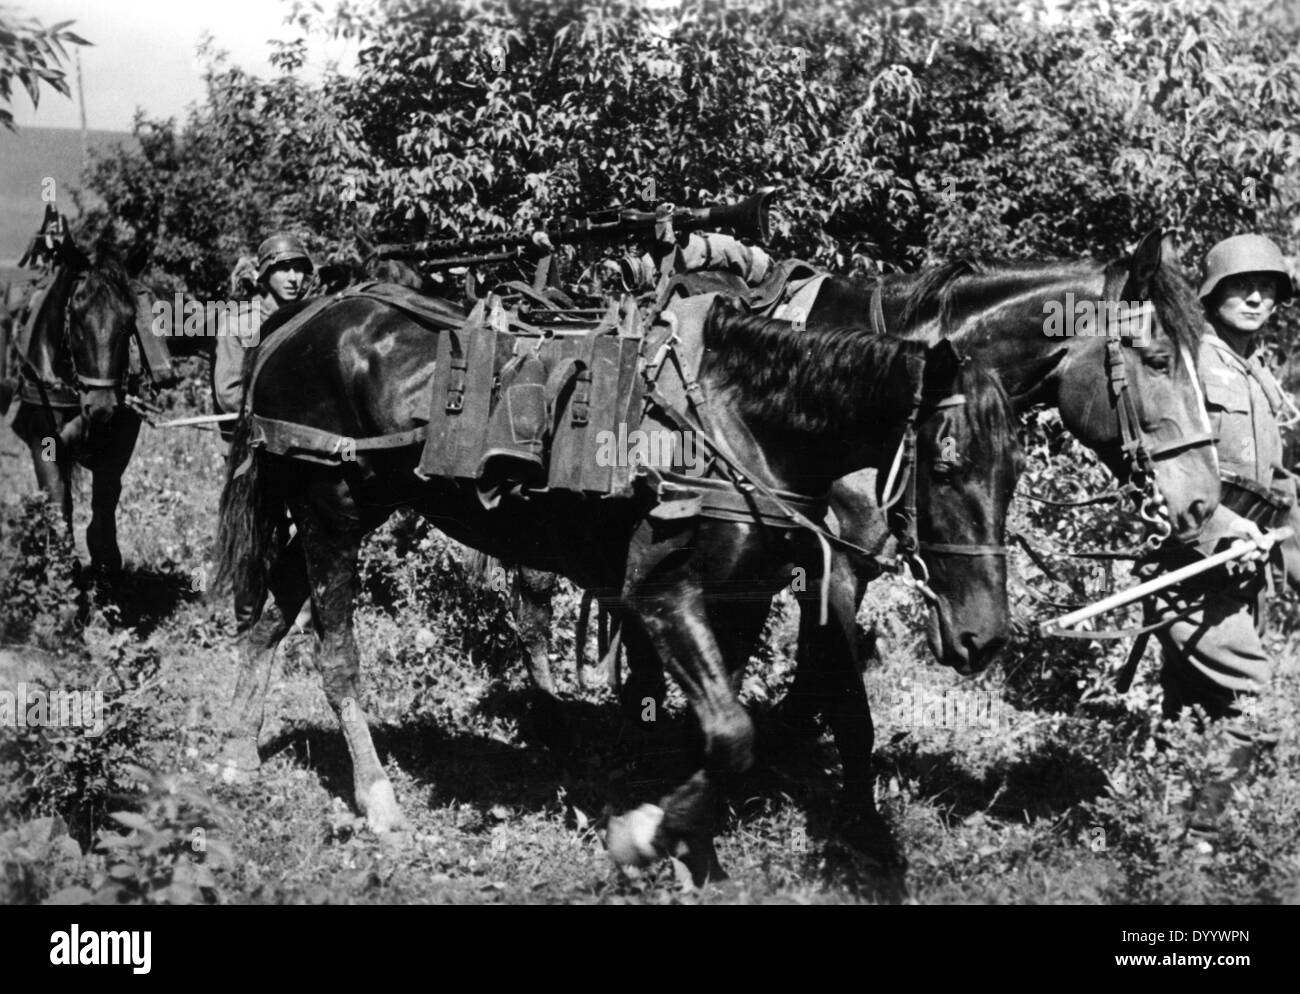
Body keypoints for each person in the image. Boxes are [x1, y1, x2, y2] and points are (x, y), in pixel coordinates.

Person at [1143, 233, 1300, 835]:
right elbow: (1158, 467)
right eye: (1242, 285)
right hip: (1191, 566)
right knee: (1253, 699)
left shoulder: (1258, 373)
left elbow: (1270, 477)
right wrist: (1219, 527)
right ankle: (1202, 837)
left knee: (1193, 708)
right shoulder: (1184, 362)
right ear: (1213, 293)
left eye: (1269, 288)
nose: (1257, 298)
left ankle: (1168, 833)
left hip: (1246, 568)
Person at [212, 232, 314, 444]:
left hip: (306, 438)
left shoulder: (309, 317)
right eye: (284, 269)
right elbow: (230, 395)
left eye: (298, 269)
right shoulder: (240, 323)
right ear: (265, 275)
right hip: (251, 441)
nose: (293, 278)